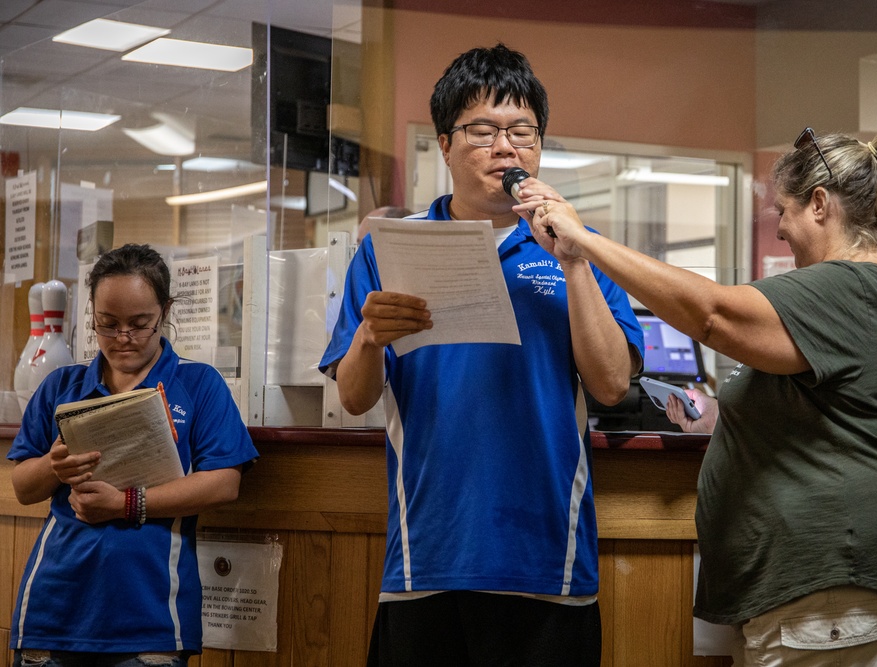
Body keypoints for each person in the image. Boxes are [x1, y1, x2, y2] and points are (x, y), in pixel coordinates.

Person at [526, 129, 877, 666]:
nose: (779, 230)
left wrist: (583, 240)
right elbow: (831, 408)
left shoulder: (848, 284)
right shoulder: (874, 289)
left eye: (785, 211)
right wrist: (724, 420)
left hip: (836, 576)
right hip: (837, 580)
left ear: (820, 205)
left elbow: (713, 315)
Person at [319, 43, 643, 666]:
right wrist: (366, 336)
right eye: (483, 131)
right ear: (443, 144)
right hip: (428, 555)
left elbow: (610, 385)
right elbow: (355, 398)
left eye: (522, 131)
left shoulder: (583, 246)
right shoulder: (391, 247)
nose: (507, 148)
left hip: (549, 558)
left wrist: (572, 258)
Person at [8, 244, 259, 667]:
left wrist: (126, 504)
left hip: (150, 611)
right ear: (91, 315)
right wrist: (54, 466)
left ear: (164, 311)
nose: (123, 338)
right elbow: (22, 488)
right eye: (107, 325)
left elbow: (224, 482)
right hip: (54, 607)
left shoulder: (198, 384)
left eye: (139, 324)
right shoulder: (61, 387)